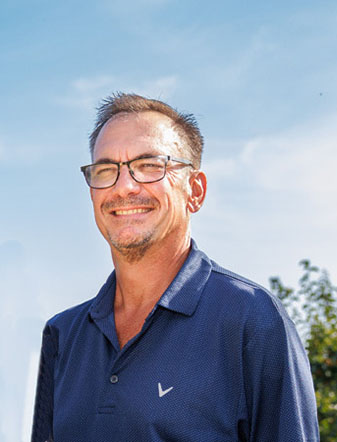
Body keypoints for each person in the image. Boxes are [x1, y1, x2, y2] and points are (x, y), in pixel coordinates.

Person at [31, 93, 320, 441]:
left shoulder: (252, 319)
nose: (124, 186)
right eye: (107, 170)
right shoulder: (62, 335)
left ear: (195, 191)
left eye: (150, 165)